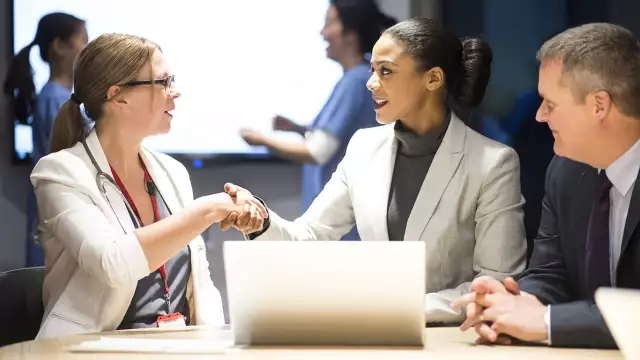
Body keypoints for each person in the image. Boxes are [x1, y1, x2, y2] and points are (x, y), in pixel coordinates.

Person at [224, 18, 527, 324]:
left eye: (386, 71)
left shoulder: (493, 162)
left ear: (433, 79)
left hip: (452, 339)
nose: (370, 83)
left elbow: (496, 283)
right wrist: (259, 222)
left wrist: (400, 309)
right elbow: (310, 235)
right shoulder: (363, 147)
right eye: (373, 69)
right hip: (376, 336)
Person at [30, 33, 266, 338]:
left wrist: (217, 344)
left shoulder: (171, 171)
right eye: (164, 82)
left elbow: (201, 286)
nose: (176, 92)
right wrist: (208, 209)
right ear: (118, 96)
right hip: (88, 350)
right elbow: (113, 263)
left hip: (178, 347)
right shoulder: (60, 173)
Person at [453, 23, 640, 349]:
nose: (539, 116)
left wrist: (546, 322)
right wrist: (513, 302)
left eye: (550, 103)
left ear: (599, 105)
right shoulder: (565, 170)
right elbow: (551, 274)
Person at [239, 0, 396, 240]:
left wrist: (262, 139)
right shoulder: (355, 79)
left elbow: (318, 151)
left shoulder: (355, 82)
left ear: (350, 34)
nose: (323, 33)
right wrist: (298, 129)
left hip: (342, 233)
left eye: (329, 23)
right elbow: (338, 139)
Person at [3, 12, 88, 267]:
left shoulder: (60, 98)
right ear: (60, 46)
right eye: (83, 40)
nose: (88, 48)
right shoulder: (56, 100)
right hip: (58, 216)